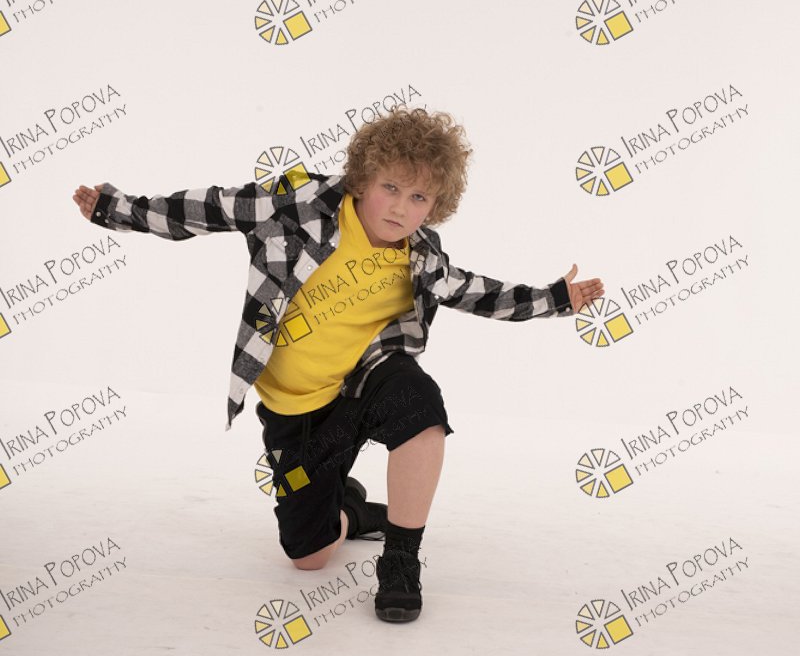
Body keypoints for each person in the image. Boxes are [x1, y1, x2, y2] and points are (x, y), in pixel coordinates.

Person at [73, 106, 604, 624]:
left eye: (418, 197)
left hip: (362, 384)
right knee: (309, 556)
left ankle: (401, 560)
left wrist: (556, 297)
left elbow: (476, 292)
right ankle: (353, 509)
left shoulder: (422, 255)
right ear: (363, 179)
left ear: (435, 206)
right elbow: (210, 208)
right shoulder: (297, 205)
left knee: (420, 407)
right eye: (390, 187)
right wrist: (114, 209)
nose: (400, 208)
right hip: (296, 410)